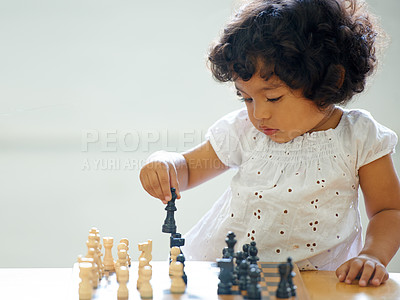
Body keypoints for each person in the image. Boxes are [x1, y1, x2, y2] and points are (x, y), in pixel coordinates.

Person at [139, 0, 400, 287]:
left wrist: (373, 255)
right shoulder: (244, 130)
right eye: (246, 98)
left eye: (273, 97)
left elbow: (389, 210)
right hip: (232, 275)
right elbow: (188, 168)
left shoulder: (360, 137)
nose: (258, 114)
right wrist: (165, 163)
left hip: (316, 283)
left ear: (331, 81)